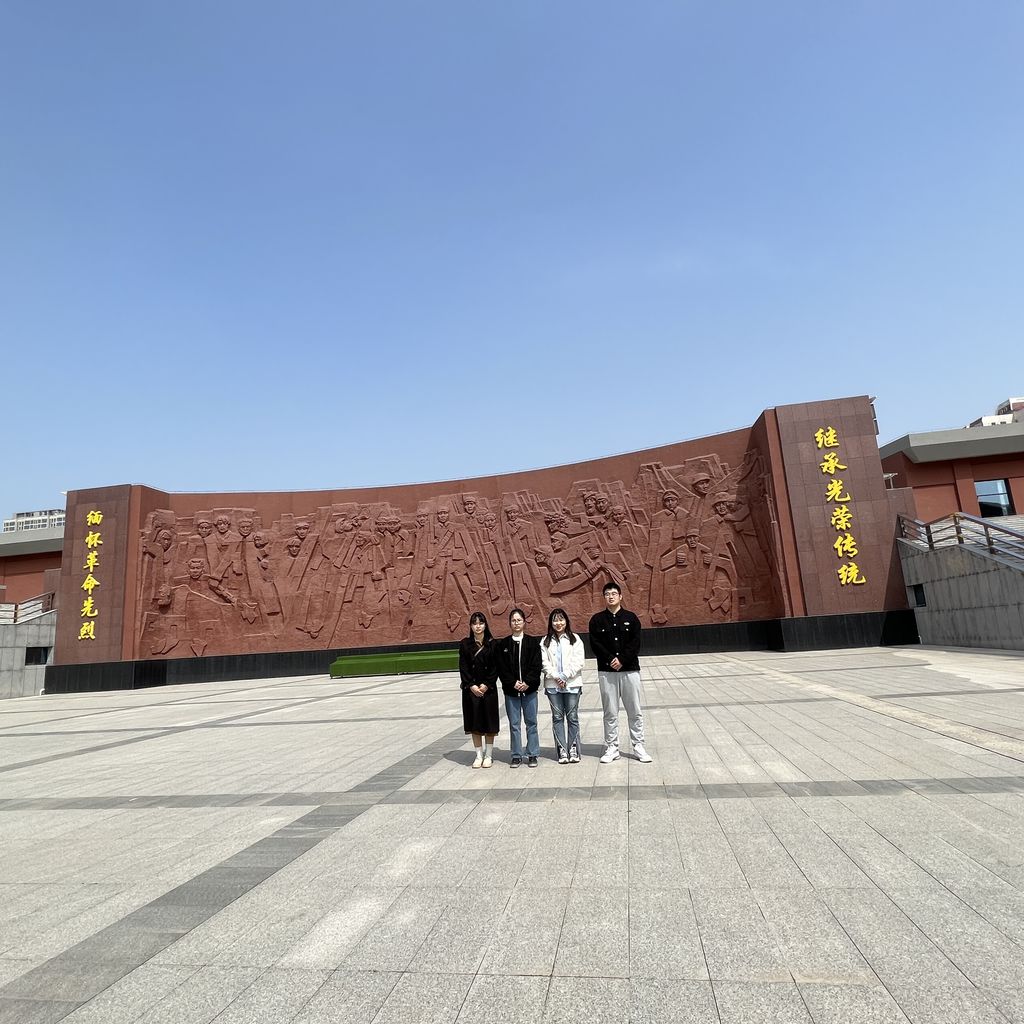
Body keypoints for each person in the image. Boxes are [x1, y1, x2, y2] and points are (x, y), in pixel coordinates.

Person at [588, 581, 652, 763]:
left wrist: (622, 659)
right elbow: (595, 644)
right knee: (610, 712)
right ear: (604, 597)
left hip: (629, 670)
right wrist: (610, 659)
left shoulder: (631, 618)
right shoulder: (597, 620)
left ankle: (638, 745)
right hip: (607, 672)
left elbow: (635, 643)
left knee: (634, 710)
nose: (611, 596)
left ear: (620, 596)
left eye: (614, 593)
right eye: (607, 594)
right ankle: (612, 747)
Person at [494, 607, 542, 768]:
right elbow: (502, 668)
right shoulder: (503, 644)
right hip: (511, 691)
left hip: (530, 690)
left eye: (519, 620)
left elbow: (536, 665)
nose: (516, 623)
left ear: (524, 622)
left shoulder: (532, 643)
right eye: (513, 620)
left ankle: (533, 753)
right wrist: (513, 683)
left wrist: (527, 682)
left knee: (531, 723)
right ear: (510, 623)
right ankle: (516, 755)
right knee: (514, 724)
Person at [540, 607, 585, 764]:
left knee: (572, 717)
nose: (558, 623)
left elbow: (579, 661)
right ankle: (562, 750)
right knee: (557, 717)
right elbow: (544, 663)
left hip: (572, 684)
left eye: (561, 619)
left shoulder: (575, 639)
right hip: (553, 685)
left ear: (566, 621)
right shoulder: (545, 641)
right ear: (551, 623)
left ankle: (573, 749)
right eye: (555, 620)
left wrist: (565, 675)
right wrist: (556, 676)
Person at [459, 611, 500, 767]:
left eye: (481, 623)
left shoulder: (493, 644)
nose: (478, 626)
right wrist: (471, 685)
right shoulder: (465, 644)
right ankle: (478, 755)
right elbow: (463, 667)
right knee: (474, 723)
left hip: (488, 690)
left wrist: (487, 684)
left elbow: (495, 667)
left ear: (485, 625)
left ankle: (488, 755)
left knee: (489, 722)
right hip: (471, 690)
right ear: (470, 626)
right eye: (475, 623)